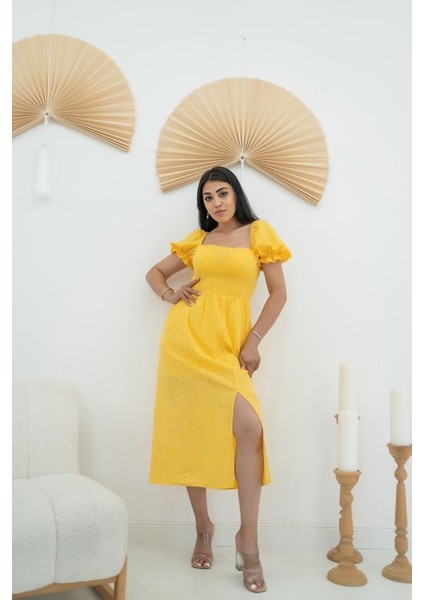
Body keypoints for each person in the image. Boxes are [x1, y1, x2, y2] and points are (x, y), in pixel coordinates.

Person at [146, 166, 291, 593]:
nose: (216, 203)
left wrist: (254, 340)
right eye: (208, 198)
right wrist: (170, 294)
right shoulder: (199, 239)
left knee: (250, 428)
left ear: (236, 194)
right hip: (185, 345)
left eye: (222, 193)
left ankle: (249, 538)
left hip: (229, 348)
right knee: (192, 433)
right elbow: (154, 273)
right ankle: (203, 527)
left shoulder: (259, 233)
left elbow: (279, 294)